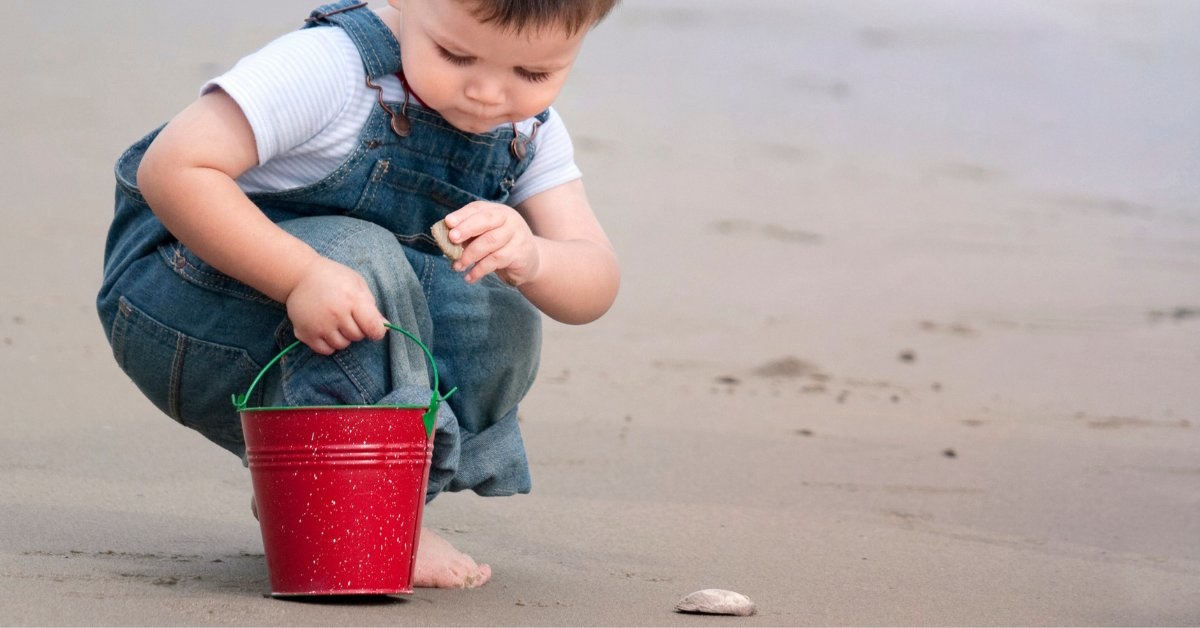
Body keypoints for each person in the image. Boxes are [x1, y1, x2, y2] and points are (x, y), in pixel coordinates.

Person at [96, 0, 620, 589]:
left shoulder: (527, 132)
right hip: (183, 301)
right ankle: (348, 503)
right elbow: (173, 168)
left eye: (532, 74)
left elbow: (594, 282)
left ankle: (350, 495)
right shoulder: (332, 68)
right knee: (360, 251)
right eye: (456, 54)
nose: (488, 93)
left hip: (348, 312)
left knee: (499, 309)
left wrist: (536, 255)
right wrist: (297, 275)